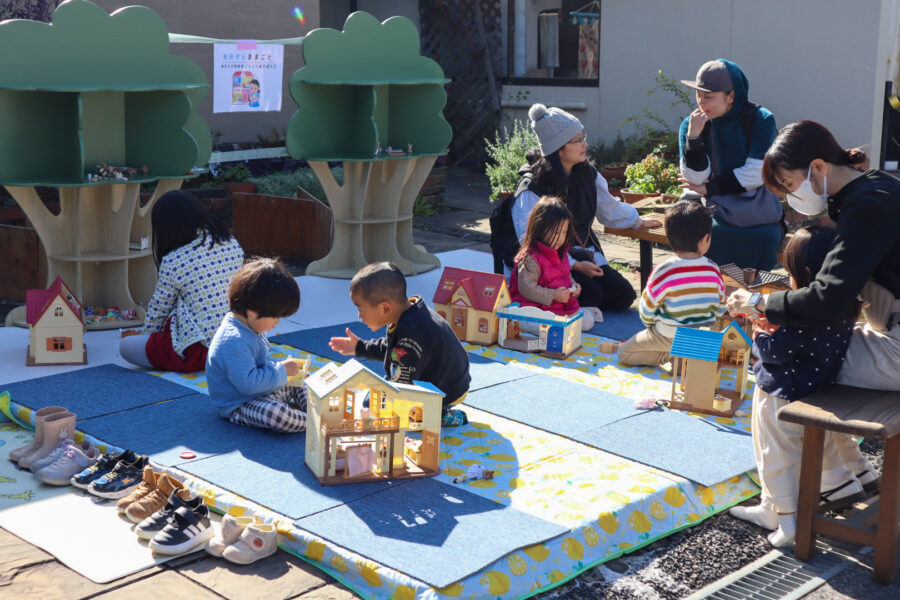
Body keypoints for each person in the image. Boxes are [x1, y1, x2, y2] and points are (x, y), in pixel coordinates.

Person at [729, 227, 876, 548]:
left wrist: (759, 334)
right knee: (818, 445)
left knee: (775, 455)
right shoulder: (845, 301)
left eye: (789, 269)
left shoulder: (804, 310)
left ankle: (786, 519)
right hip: (819, 387)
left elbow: (776, 352)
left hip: (781, 393)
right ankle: (842, 483)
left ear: (806, 272)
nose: (786, 277)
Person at [726, 119, 900, 392]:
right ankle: (839, 437)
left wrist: (758, 301)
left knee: (784, 363)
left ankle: (804, 436)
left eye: (790, 184)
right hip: (890, 329)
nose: (791, 196)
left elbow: (826, 297)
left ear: (818, 167)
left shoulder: (867, 207)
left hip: (896, 347)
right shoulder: (874, 187)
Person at [495, 103, 660, 312]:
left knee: (623, 296)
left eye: (584, 137)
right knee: (592, 295)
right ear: (559, 148)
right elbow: (528, 241)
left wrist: (637, 221)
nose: (585, 144)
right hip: (544, 263)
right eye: (578, 140)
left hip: (583, 253)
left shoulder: (587, 174)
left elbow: (609, 208)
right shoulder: (532, 188)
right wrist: (573, 265)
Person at [328, 262, 472, 427]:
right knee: (372, 401)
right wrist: (359, 347)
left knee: (380, 410)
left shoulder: (411, 335)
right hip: (430, 374)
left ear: (385, 307)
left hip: (448, 389)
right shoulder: (407, 312)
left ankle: (441, 415)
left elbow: (404, 387)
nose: (359, 315)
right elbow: (393, 350)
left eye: (361, 309)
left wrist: (386, 407)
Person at [119, 190, 244, 372]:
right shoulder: (231, 242)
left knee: (126, 346)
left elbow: (158, 311)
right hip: (238, 344)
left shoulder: (175, 260)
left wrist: (148, 339)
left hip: (199, 351)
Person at [678, 59, 784, 270]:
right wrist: (694, 140)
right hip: (714, 207)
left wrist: (710, 187)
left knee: (763, 237)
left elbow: (757, 173)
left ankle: (754, 296)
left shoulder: (761, 119)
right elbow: (695, 179)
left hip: (757, 207)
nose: (701, 103)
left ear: (731, 96)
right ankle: (712, 290)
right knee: (705, 235)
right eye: (698, 94)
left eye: (708, 97)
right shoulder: (692, 124)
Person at [617, 200, 725, 366]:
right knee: (692, 366)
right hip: (702, 337)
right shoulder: (713, 269)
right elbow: (720, 306)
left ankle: (668, 357)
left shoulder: (664, 270)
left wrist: (651, 326)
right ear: (705, 239)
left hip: (668, 335)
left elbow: (647, 308)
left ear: (669, 237)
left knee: (624, 353)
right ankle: (684, 360)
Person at [206, 258, 307, 433]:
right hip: (241, 403)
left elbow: (262, 367)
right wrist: (281, 371)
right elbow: (249, 384)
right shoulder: (233, 340)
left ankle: (314, 407)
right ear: (253, 311)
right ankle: (314, 421)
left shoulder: (250, 325)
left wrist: (287, 372)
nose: (277, 322)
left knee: (301, 375)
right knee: (277, 414)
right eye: (274, 316)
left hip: (261, 393)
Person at [510, 196, 604, 331]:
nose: (561, 238)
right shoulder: (530, 258)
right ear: (540, 229)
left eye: (564, 232)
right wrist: (552, 295)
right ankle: (565, 322)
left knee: (585, 323)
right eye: (556, 232)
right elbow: (526, 288)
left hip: (555, 308)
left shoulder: (561, 252)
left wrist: (573, 286)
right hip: (531, 308)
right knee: (538, 325)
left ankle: (573, 318)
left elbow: (565, 275)